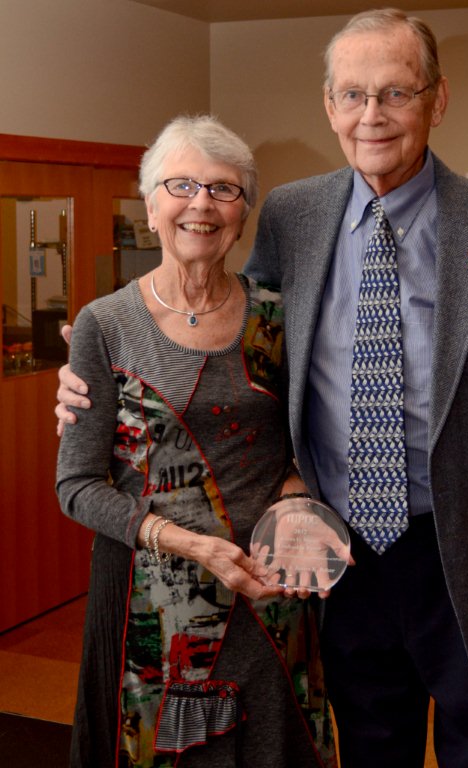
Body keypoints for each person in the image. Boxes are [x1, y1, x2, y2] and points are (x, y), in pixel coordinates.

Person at [56, 9, 468, 768]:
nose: (371, 115)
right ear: (329, 106)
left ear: (437, 100)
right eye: (352, 95)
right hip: (336, 561)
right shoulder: (291, 216)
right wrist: (91, 378)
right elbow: (239, 343)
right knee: (371, 747)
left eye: (396, 94)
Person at [55, 113, 339, 768]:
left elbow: (306, 440)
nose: (201, 204)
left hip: (269, 594)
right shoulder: (105, 325)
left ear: (243, 214)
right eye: (180, 185)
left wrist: (295, 502)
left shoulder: (276, 313)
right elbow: (76, 487)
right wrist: (190, 545)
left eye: (224, 189)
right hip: (154, 606)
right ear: (150, 206)